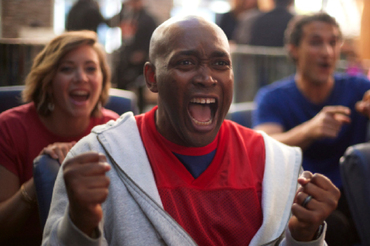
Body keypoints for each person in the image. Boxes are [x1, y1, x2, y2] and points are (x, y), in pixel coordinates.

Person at [42, 16, 340, 246]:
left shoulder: (277, 163)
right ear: (152, 78)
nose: (207, 77)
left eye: (220, 63)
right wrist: (80, 224)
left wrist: (306, 235)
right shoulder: (97, 157)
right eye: (186, 62)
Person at [252, 13, 370, 245]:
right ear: (294, 49)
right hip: (306, 201)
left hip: (357, 197)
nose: (327, 52)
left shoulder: (358, 88)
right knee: (333, 226)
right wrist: (310, 129)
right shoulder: (273, 97)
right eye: (316, 42)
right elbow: (262, 145)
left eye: (333, 42)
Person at [0, 30, 119, 245]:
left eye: (91, 68)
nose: (81, 77)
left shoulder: (113, 128)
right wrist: (40, 178)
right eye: (67, 69)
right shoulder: (9, 127)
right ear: (48, 80)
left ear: (102, 79)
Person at [107, 0, 157, 112]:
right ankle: (120, 111)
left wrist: (143, 53)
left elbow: (154, 39)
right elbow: (110, 23)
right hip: (125, 57)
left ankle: (139, 111)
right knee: (120, 83)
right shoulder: (127, 15)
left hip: (140, 61)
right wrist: (123, 8)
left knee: (139, 89)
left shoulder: (148, 19)